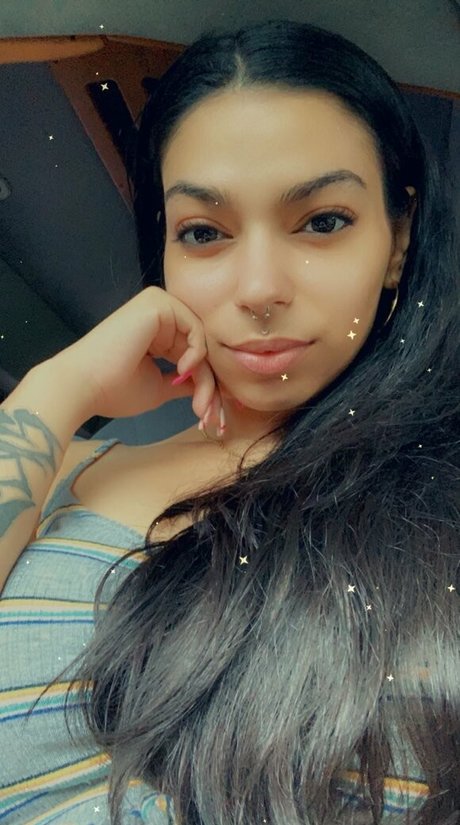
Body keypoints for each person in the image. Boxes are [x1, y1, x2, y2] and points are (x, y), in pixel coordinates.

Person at [0, 16, 458, 825]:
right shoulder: (62, 465)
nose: (258, 288)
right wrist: (57, 388)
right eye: (204, 232)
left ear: (398, 240)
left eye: (322, 220)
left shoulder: (439, 486)